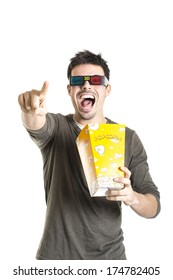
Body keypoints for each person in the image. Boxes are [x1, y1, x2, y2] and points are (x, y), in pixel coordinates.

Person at [18, 50, 160, 260]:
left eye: (95, 80)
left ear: (107, 89)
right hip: (56, 260)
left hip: (110, 261)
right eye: (78, 81)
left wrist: (132, 198)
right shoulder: (58, 128)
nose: (86, 86)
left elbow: (153, 205)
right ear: (69, 89)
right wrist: (30, 110)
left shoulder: (127, 138)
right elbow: (37, 124)